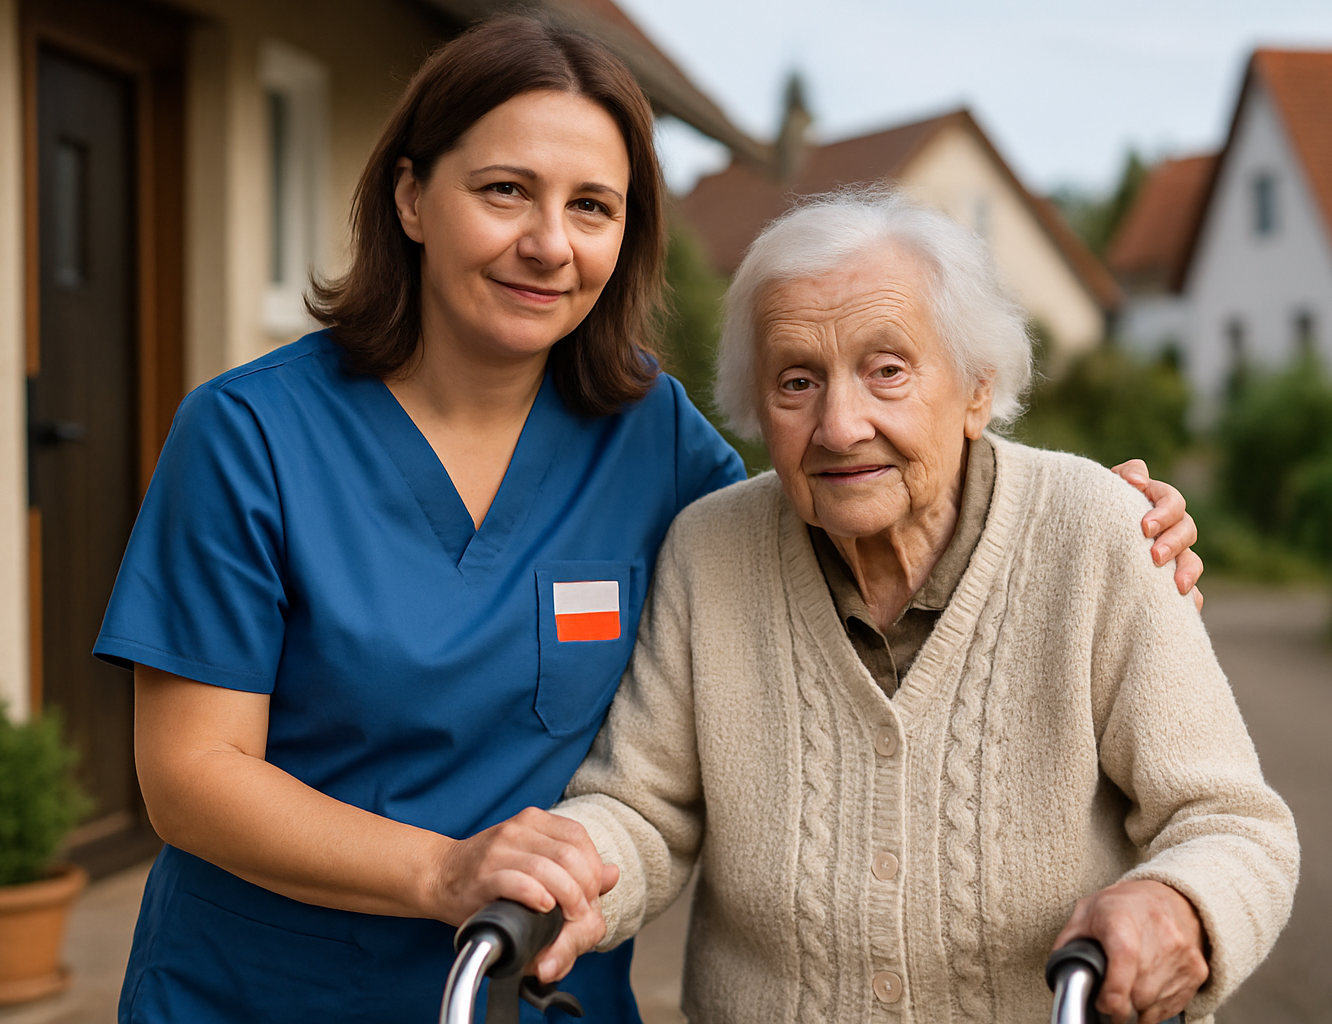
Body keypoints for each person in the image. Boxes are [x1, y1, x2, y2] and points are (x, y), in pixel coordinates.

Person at [93, 19, 1206, 1024]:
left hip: (537, 985)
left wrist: (1080, 518)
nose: (549, 244)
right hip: (266, 992)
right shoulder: (249, 436)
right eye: (505, 192)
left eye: (592, 207)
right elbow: (190, 773)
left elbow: (839, 506)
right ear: (409, 198)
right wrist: (442, 872)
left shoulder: (651, 436)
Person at [548, 191, 1299, 1024]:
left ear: (978, 390)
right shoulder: (709, 551)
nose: (839, 426)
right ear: (757, 409)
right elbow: (643, 810)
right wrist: (568, 876)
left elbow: (1231, 822)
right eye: (796, 381)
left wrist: (1180, 905)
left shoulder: (1098, 533)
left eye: (887, 371)